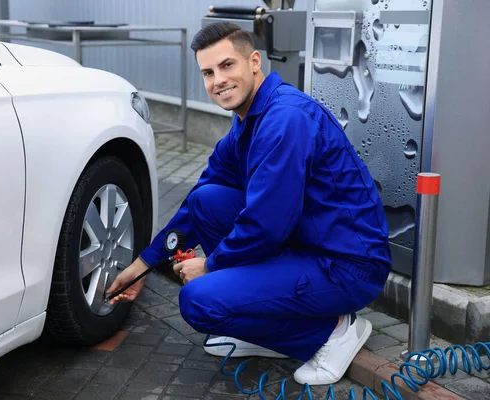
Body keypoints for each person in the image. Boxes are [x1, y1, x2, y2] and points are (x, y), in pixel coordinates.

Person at [106, 21, 392, 386]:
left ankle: (333, 332)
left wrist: (210, 266)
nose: (217, 81)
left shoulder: (284, 120)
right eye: (208, 72)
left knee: (198, 300)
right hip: (305, 244)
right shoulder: (246, 124)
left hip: (347, 266)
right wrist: (144, 265)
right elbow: (199, 201)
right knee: (207, 200)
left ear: (254, 62)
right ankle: (263, 324)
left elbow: (266, 224)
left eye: (227, 65)